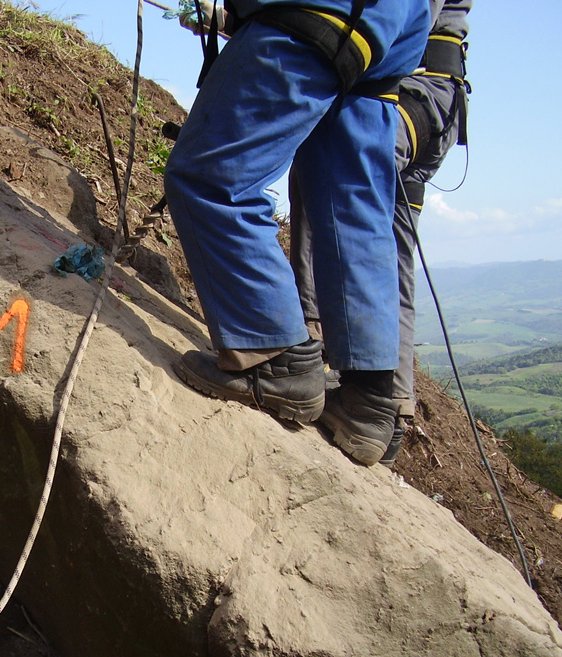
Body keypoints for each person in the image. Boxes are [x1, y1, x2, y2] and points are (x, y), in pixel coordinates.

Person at [164, 0, 436, 465]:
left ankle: (274, 358)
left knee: (212, 176)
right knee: (346, 196)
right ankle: (368, 400)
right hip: (396, 18)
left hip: (325, 4)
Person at [288, 0, 471, 466]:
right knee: (393, 252)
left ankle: (308, 344)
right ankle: (392, 410)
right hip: (436, 108)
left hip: (406, 94)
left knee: (332, 166)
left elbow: (369, 27)